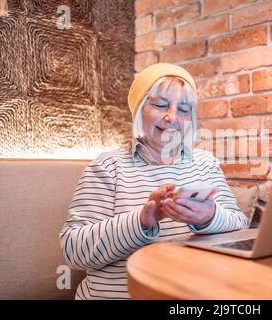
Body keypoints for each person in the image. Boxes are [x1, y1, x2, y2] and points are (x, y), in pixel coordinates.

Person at [59, 63, 249, 300]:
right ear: (138, 109)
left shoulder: (205, 163)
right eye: (160, 105)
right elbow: (74, 251)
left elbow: (240, 227)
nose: (171, 117)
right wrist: (141, 222)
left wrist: (209, 217)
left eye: (183, 109)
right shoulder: (108, 166)